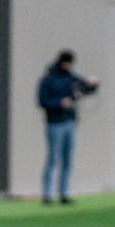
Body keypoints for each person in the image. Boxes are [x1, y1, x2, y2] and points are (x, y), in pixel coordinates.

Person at [37, 50, 98, 205]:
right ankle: (47, 195)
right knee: (52, 159)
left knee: (67, 159)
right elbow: (42, 101)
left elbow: (85, 89)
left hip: (69, 122)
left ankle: (64, 193)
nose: (69, 66)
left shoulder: (72, 78)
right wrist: (59, 103)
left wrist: (92, 84)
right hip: (54, 123)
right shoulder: (48, 80)